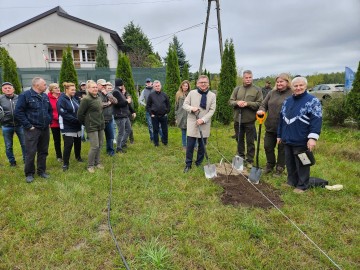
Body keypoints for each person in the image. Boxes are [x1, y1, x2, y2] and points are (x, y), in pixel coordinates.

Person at [277, 76, 322, 193]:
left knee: (302, 163)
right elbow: (281, 119)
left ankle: (302, 185)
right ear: (291, 87)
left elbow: (316, 120)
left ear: (305, 86)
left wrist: (312, 138)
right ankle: (291, 181)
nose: (298, 88)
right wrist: (279, 135)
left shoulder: (313, 101)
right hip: (287, 138)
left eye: (301, 85)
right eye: (295, 86)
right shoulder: (287, 100)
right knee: (289, 162)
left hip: (302, 139)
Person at [15, 77, 52, 183]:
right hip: (32, 129)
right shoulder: (25, 95)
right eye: (44, 84)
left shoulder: (45, 96)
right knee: (31, 152)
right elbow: (18, 112)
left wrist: (48, 121)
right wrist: (28, 125)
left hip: (44, 129)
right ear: (37, 85)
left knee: (43, 151)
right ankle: (29, 173)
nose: (46, 86)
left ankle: (41, 171)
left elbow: (49, 110)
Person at [257, 73, 292, 176]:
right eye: (278, 82)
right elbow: (263, 104)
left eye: (281, 81)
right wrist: (262, 110)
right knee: (268, 146)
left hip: (285, 128)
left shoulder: (292, 94)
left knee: (282, 149)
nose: (279, 83)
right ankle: (270, 164)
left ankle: (280, 168)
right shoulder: (271, 93)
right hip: (270, 126)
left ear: (287, 82)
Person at [229, 70, 262, 168]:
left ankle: (250, 160)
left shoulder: (257, 90)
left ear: (252, 78)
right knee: (239, 139)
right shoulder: (237, 89)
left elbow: (260, 103)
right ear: (243, 78)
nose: (248, 79)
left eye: (250, 77)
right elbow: (230, 101)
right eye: (246, 77)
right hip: (237, 119)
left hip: (250, 120)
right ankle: (240, 156)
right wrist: (237, 102)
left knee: (250, 141)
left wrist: (248, 104)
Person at [183, 75, 216, 172]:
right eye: (201, 82)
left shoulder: (212, 95)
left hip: (204, 124)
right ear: (197, 83)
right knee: (190, 146)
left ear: (208, 84)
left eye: (205, 82)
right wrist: (191, 108)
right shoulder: (192, 93)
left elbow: (212, 110)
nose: (203, 84)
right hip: (192, 122)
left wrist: (203, 119)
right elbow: (185, 105)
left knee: (202, 146)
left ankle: (198, 163)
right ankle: (188, 164)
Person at [77, 80, 105, 173]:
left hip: (100, 125)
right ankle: (90, 165)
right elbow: (80, 114)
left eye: (96, 87)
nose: (95, 89)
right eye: (93, 87)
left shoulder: (98, 97)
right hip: (91, 126)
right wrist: (86, 123)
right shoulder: (86, 99)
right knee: (94, 146)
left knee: (100, 145)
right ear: (88, 89)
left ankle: (97, 163)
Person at [57, 82, 83, 171]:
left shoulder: (74, 99)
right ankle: (65, 163)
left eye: (75, 90)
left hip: (77, 125)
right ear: (66, 90)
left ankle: (78, 157)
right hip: (67, 125)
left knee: (78, 142)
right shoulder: (61, 100)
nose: (74, 91)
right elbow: (64, 114)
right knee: (68, 145)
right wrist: (75, 120)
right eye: (72, 90)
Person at [0, 82, 26, 167]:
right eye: (5, 88)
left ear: (13, 89)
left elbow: (25, 109)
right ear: (2, 90)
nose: (7, 89)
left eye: (9, 88)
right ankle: (12, 162)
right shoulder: (0, 99)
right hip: (6, 126)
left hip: (20, 125)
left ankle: (26, 160)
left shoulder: (20, 98)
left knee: (24, 144)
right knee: (8, 146)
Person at [146, 80, 170, 147]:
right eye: (156, 86)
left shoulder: (165, 95)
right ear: (153, 87)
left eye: (158, 86)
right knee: (155, 130)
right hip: (155, 116)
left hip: (163, 116)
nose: (157, 87)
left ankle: (165, 142)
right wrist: (151, 114)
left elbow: (168, 105)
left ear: (161, 86)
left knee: (165, 130)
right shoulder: (151, 95)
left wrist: (166, 112)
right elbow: (148, 106)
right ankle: (156, 143)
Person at [98, 79, 117, 156]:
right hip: (100, 119)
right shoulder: (96, 94)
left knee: (110, 136)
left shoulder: (108, 93)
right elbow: (99, 105)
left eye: (105, 85)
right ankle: (97, 154)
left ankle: (110, 151)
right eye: (102, 85)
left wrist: (108, 95)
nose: (104, 86)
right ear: (98, 85)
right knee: (99, 139)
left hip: (109, 118)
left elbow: (115, 101)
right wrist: (108, 103)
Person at [112, 78, 132, 153]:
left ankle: (122, 144)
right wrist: (127, 101)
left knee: (128, 129)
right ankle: (118, 148)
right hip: (120, 115)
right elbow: (118, 104)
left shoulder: (119, 92)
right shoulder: (116, 92)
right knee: (121, 132)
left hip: (124, 115)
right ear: (122, 85)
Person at [48, 83, 63, 162]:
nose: (58, 89)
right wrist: (57, 117)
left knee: (67, 139)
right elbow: (49, 110)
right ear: (51, 90)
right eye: (55, 88)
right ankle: (59, 156)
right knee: (57, 140)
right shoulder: (48, 98)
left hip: (64, 122)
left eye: (58, 87)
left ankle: (66, 154)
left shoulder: (62, 96)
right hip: (55, 123)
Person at [175, 80, 190, 150]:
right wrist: (176, 117)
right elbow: (176, 106)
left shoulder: (190, 93)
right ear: (181, 86)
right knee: (184, 131)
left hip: (190, 115)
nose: (185, 87)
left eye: (186, 86)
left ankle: (195, 145)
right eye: (184, 85)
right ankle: (184, 145)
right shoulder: (178, 94)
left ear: (188, 86)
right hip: (181, 115)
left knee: (191, 132)